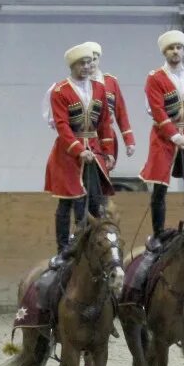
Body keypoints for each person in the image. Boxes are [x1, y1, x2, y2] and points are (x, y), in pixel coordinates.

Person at [45, 43, 116, 255]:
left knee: (94, 203)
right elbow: (62, 125)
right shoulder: (60, 90)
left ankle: (90, 247)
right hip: (67, 155)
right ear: (72, 65)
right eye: (81, 63)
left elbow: (104, 122)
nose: (86, 66)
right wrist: (78, 149)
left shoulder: (100, 89)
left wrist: (108, 151)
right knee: (67, 203)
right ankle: (63, 250)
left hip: (93, 152)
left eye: (88, 62)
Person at [139, 29, 184, 240]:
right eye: (171, 48)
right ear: (165, 52)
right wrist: (172, 134)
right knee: (160, 188)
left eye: (179, 47)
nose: (175, 51)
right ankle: (158, 234)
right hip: (163, 139)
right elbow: (158, 109)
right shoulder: (155, 78)